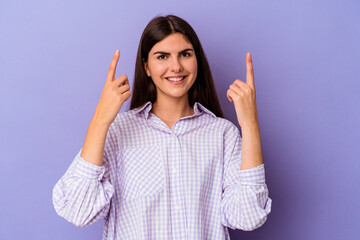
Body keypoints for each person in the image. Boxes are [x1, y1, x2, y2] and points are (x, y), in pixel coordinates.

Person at [52, 14, 272, 239]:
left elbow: (248, 216)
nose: (175, 66)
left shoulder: (223, 134)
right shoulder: (118, 132)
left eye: (185, 54)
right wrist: (101, 119)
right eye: (162, 56)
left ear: (197, 60)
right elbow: (78, 210)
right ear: (146, 67)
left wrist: (250, 124)